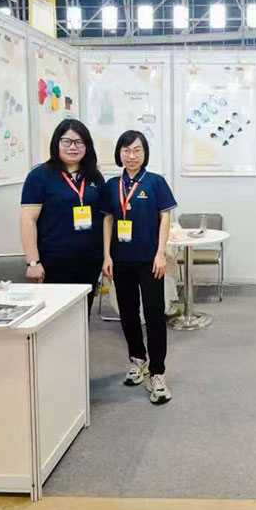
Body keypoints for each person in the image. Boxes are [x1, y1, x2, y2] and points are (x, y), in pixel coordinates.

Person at [101, 130, 177, 405]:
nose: (131, 156)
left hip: (149, 261)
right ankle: (137, 360)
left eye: (137, 150)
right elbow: (108, 220)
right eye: (126, 150)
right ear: (119, 153)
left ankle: (157, 373)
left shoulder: (156, 182)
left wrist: (160, 254)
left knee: (155, 315)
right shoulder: (112, 185)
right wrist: (106, 256)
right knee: (128, 313)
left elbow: (165, 218)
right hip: (121, 260)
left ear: (145, 153)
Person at [20, 119, 106, 311]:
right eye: (66, 141)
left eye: (79, 142)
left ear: (87, 146)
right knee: (55, 314)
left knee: (83, 312)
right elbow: (28, 220)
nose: (73, 147)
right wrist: (33, 262)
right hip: (54, 260)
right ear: (56, 143)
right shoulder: (39, 176)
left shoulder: (94, 176)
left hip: (90, 259)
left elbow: (104, 217)